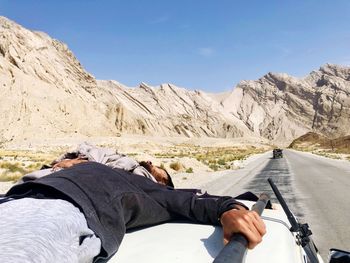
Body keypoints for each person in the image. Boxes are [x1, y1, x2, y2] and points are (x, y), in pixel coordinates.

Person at [0, 162, 266, 263]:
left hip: (56, 212)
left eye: (157, 170)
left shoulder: (134, 183)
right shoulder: (56, 168)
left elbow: (187, 201)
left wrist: (230, 208)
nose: (151, 164)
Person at [17, 142, 174, 187]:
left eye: (159, 170)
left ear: (161, 183)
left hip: (79, 171)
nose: (151, 163)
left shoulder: (143, 176)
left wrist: (78, 163)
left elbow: (110, 174)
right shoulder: (134, 166)